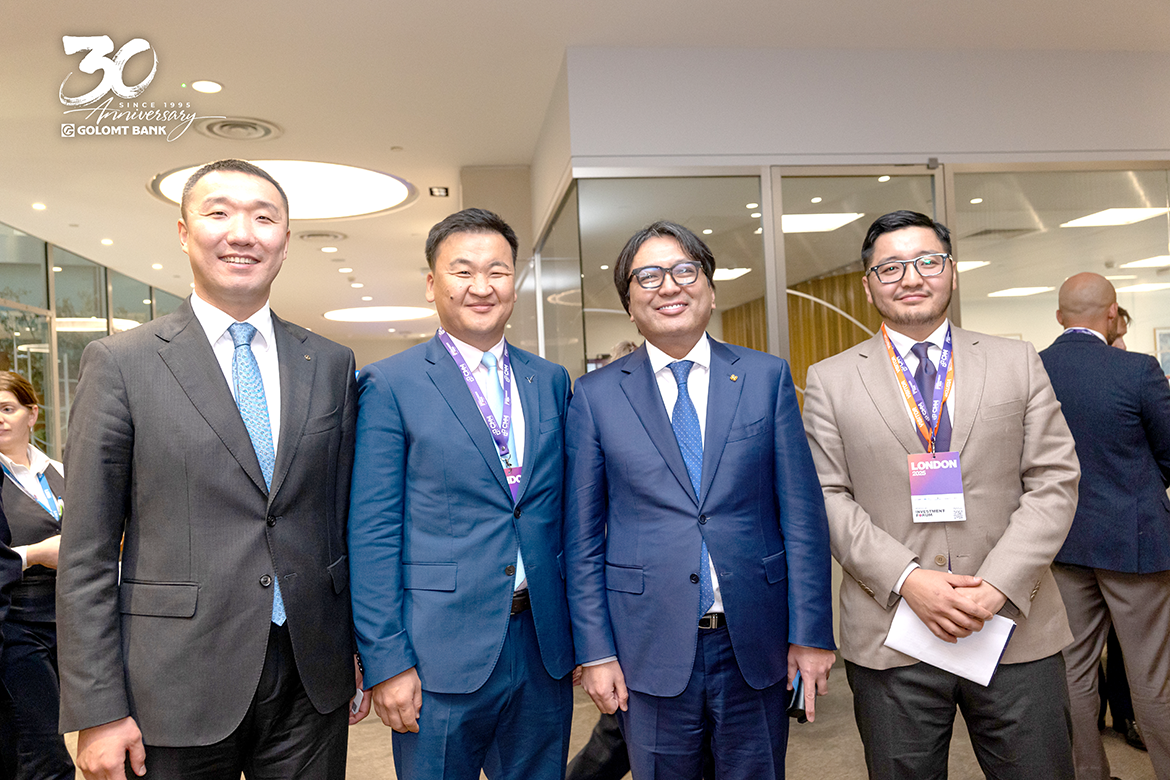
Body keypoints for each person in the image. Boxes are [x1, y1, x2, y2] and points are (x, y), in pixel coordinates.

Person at [56, 159, 364, 780]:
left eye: (264, 218)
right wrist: (98, 708)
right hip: (173, 681)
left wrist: (359, 648)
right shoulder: (121, 363)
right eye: (219, 213)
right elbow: (87, 550)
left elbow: (339, 522)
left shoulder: (330, 363)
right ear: (183, 232)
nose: (242, 233)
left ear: (285, 240)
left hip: (310, 675)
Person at [802, 210, 1080, 780]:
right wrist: (909, 579)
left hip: (1014, 628)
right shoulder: (830, 379)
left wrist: (997, 584)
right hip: (893, 633)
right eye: (891, 267)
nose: (911, 277)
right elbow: (826, 496)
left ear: (952, 271)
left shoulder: (1017, 361)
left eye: (928, 261)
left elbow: (1054, 480)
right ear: (868, 285)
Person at [564, 220, 835, 780]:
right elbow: (582, 538)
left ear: (711, 290)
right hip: (647, 646)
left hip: (754, 642)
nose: (670, 286)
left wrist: (810, 635)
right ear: (629, 304)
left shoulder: (765, 377)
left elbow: (803, 519)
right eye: (649, 276)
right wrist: (596, 652)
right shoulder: (595, 396)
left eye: (685, 271)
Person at [348, 208, 575, 780]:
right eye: (463, 271)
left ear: (514, 283)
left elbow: (563, 515)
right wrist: (386, 660)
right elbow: (373, 533)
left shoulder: (549, 379)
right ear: (432, 284)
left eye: (498, 271)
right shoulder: (390, 383)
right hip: (437, 652)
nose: (482, 286)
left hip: (541, 644)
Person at [1039, 272, 1170, 780]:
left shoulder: (1033, 368)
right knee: (1151, 675)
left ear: (1059, 317)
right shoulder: (1138, 369)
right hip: (1135, 542)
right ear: (1113, 312)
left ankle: (1089, 773)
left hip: (1061, 542)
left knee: (1073, 669)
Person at [0, 371, 74, 779]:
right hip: (16, 624)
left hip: (65, 622)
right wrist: (35, 554)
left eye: (8, 408)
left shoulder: (58, 470)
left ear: (32, 414)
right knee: (46, 753)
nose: (0, 419)